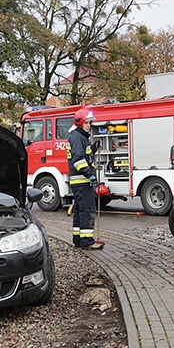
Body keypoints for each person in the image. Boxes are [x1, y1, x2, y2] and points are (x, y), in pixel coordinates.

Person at [67, 107, 103, 250]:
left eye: (90, 123)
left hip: (79, 181)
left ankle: (78, 240)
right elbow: (78, 161)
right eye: (87, 123)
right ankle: (87, 241)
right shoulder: (78, 137)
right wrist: (91, 175)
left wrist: (93, 148)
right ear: (80, 123)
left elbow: (84, 155)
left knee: (80, 210)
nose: (90, 125)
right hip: (82, 181)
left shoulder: (80, 137)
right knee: (87, 210)